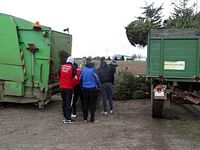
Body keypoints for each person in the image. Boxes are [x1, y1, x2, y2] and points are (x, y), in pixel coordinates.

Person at [58, 56, 78, 124]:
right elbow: (75, 79)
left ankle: (65, 117)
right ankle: (68, 119)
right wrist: (72, 84)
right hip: (69, 88)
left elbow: (58, 76)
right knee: (69, 103)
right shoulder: (73, 68)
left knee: (64, 103)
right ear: (72, 61)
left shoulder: (61, 67)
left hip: (62, 88)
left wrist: (62, 82)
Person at [80, 56, 101, 123]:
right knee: (92, 104)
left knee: (85, 104)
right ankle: (92, 119)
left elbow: (80, 79)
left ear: (86, 61)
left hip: (85, 89)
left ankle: (85, 119)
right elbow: (97, 79)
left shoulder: (83, 69)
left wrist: (81, 86)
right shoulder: (93, 69)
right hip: (92, 89)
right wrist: (99, 87)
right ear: (91, 61)